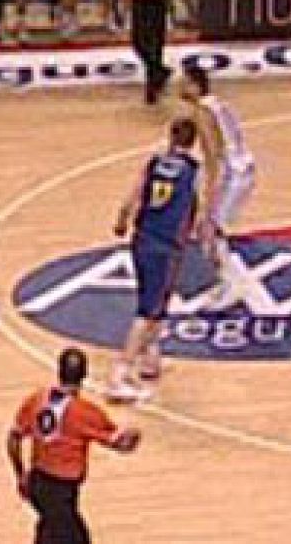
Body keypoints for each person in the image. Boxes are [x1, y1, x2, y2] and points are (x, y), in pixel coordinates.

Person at [109, 118, 202, 403]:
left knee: (156, 301)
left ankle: (150, 358)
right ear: (194, 141)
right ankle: (120, 374)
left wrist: (121, 220)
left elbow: (132, 198)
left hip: (142, 237)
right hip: (166, 245)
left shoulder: (153, 163)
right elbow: (199, 210)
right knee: (148, 310)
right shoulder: (194, 171)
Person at [8, 347, 142, 544]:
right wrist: (135, 432)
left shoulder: (37, 400)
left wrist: (20, 474)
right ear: (84, 375)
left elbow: (13, 438)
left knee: (49, 532)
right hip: (61, 491)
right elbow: (121, 444)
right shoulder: (85, 412)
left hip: (38, 482)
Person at [181, 68, 257, 309]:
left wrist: (209, 194)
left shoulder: (202, 112)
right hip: (242, 167)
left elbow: (213, 154)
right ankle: (226, 281)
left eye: (184, 83)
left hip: (232, 173)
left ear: (196, 86)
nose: (179, 87)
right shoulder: (218, 104)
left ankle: (232, 284)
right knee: (209, 230)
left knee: (210, 230)